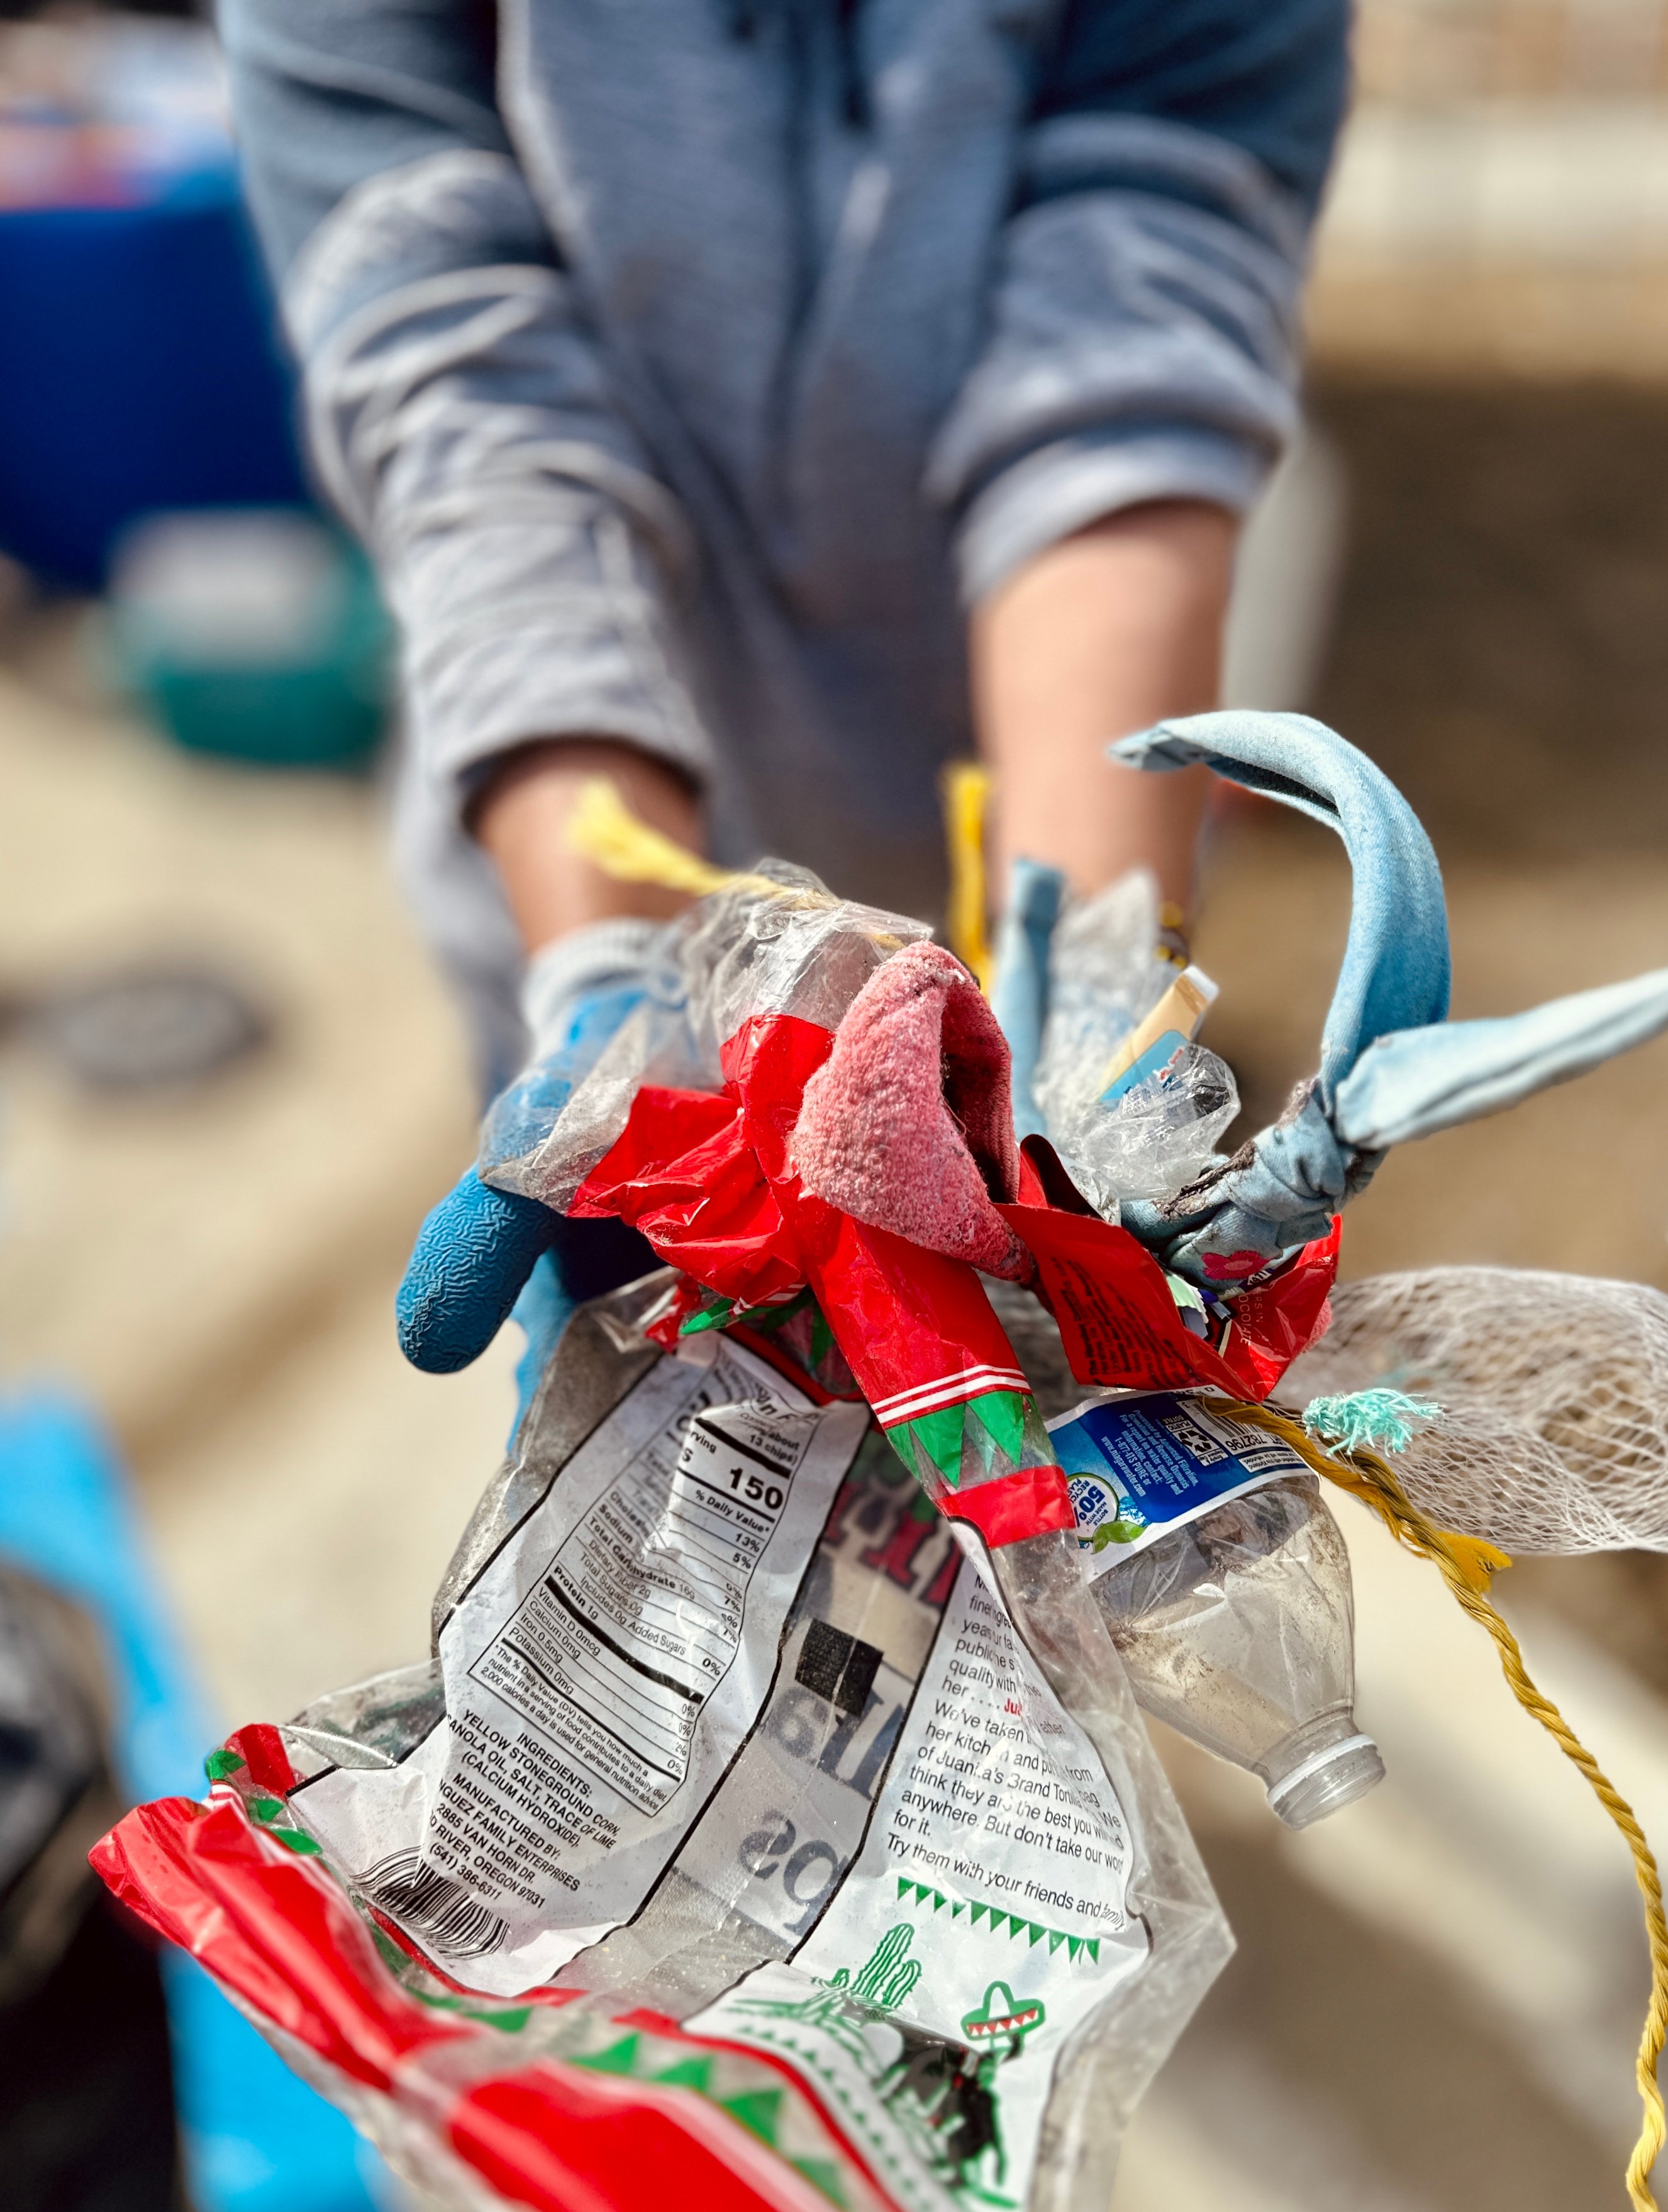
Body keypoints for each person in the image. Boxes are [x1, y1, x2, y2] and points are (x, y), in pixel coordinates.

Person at [220, 0, 1352, 1377]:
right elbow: (471, 407)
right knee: (658, 1452)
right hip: (597, 883)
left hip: (1014, 859)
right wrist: (607, 982)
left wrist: (1096, 993)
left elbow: (1118, 383)